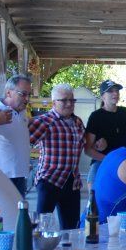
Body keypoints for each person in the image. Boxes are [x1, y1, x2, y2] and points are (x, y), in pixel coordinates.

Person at [28, 84, 86, 229]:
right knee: (41, 226)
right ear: (54, 103)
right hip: (50, 180)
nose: (69, 104)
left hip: (72, 181)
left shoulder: (77, 122)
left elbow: (85, 144)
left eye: (72, 100)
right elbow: (23, 142)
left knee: (71, 228)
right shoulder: (44, 122)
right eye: (64, 100)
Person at [0, 74, 33, 196]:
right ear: (8, 93)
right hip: (2, 176)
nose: (27, 99)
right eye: (23, 94)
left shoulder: (22, 112)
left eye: (29, 95)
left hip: (20, 175)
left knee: (19, 213)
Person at [84, 80, 126, 189]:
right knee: (93, 190)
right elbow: (87, 149)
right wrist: (109, 159)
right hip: (101, 160)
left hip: (125, 160)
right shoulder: (95, 116)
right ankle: (92, 203)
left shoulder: (125, 112)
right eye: (110, 91)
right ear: (102, 96)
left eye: (117, 91)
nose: (115, 94)